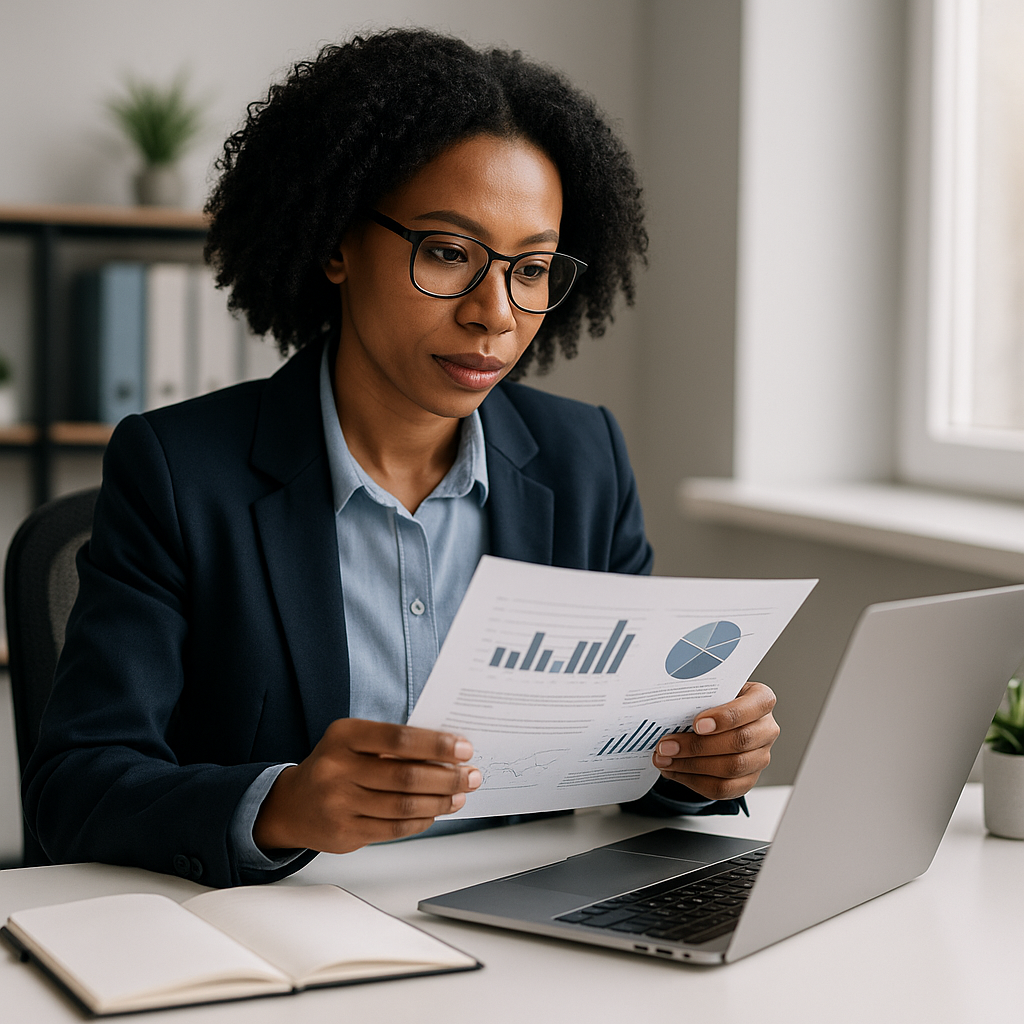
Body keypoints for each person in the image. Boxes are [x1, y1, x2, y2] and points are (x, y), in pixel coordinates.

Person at [23, 29, 780, 889]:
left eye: (531, 269)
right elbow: (73, 788)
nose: (495, 314)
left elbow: (629, 758)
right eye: (450, 253)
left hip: (527, 926)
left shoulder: (583, 462)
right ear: (338, 242)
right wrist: (280, 805)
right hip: (287, 940)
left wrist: (695, 766)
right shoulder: (179, 471)